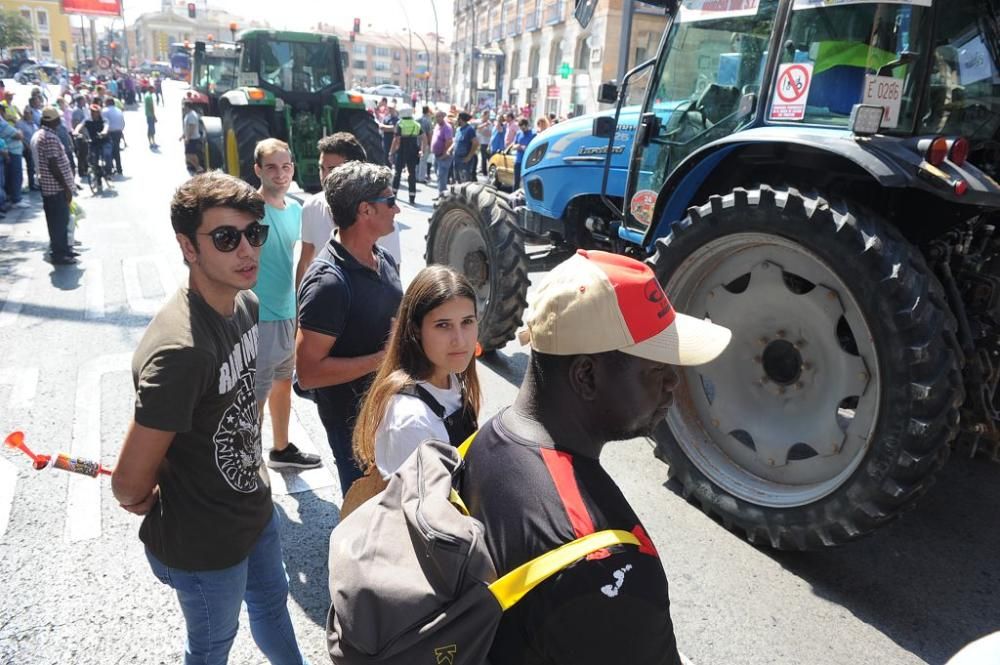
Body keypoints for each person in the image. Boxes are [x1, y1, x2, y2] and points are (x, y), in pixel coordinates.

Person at [460, 249, 732, 665]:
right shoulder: (606, 568)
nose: (674, 383)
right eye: (657, 369)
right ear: (586, 375)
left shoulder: (489, 438)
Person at [111, 172, 309, 665]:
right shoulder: (181, 351)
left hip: (252, 506)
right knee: (212, 646)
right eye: (226, 238)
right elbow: (127, 485)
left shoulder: (247, 303)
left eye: (254, 233)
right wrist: (148, 494)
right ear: (188, 246)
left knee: (271, 607)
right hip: (203, 541)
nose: (247, 251)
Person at [295, 161, 403, 496]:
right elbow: (308, 373)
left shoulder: (381, 257)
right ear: (365, 210)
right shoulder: (328, 284)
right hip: (352, 423)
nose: (397, 208)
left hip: (384, 410)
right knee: (364, 511)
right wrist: (382, 359)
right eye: (390, 201)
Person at [353, 264, 481, 480]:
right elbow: (417, 510)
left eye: (467, 322)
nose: (459, 340)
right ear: (415, 330)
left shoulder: (450, 377)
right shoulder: (411, 421)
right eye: (443, 325)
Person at [251, 139, 321, 471]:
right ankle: (247, 463)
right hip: (259, 316)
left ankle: (280, 449)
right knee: (255, 396)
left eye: (286, 166)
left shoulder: (295, 210)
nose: (281, 174)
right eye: (272, 167)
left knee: (282, 386)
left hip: (288, 314)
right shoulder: (249, 210)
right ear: (258, 170)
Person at [33, 108, 76, 265]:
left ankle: (64, 250)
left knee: (61, 221)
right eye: (57, 119)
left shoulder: (44, 135)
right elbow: (53, 165)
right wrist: (65, 187)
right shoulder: (49, 138)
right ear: (52, 120)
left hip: (52, 189)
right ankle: (60, 254)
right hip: (55, 189)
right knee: (58, 223)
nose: (59, 121)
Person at [389, 104, 422, 205]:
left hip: (402, 150)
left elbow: (396, 139)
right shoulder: (416, 124)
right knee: (412, 174)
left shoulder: (400, 123)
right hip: (413, 151)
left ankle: (394, 195)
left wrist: (391, 152)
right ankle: (412, 197)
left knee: (397, 173)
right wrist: (422, 150)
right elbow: (423, 137)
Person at [0, 109, 25, 208]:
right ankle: (16, 199)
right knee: (15, 176)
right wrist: (18, 131)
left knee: (10, 177)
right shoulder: (2, 123)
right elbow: (18, 135)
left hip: (12, 151)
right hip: (12, 152)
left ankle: (11, 198)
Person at [430, 110, 453, 199]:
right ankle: (441, 193)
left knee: (442, 176)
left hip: (443, 156)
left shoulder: (447, 127)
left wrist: (444, 154)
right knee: (438, 174)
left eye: (439, 116)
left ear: (443, 117)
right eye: (436, 117)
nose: (437, 118)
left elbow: (449, 141)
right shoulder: (437, 126)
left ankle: (443, 196)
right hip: (436, 155)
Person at [450, 111, 478, 183]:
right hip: (456, 159)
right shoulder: (458, 129)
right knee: (457, 180)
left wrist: (469, 156)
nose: (456, 121)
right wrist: (450, 149)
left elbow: (475, 143)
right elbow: (456, 142)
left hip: (464, 160)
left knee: (464, 181)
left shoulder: (469, 130)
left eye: (458, 119)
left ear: (461, 119)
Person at [16, 107, 38, 191]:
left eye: (29, 113)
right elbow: (20, 137)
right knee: (23, 167)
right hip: (24, 148)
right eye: (25, 113)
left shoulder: (34, 124)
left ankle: (32, 184)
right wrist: (27, 145)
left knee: (31, 167)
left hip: (32, 147)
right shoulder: (20, 123)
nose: (27, 115)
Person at [102, 96, 125, 175]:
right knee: (116, 150)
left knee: (109, 150)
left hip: (110, 132)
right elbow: (123, 122)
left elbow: (104, 122)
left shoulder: (105, 111)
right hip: (118, 132)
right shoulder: (118, 110)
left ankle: (110, 168)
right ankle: (119, 168)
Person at [181, 102, 204, 174]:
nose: (183, 107)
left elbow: (192, 127)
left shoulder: (192, 115)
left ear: (187, 106)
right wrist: (183, 135)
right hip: (190, 138)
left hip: (193, 138)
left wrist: (188, 137)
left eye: (184, 106)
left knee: (189, 155)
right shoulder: (188, 114)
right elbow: (187, 127)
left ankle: (198, 167)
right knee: (191, 154)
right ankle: (198, 168)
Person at [512, 117, 534, 191]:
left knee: (527, 181)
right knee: (516, 181)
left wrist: (527, 148)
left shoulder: (533, 134)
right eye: (521, 128)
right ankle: (514, 198)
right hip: (518, 161)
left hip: (528, 162)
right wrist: (518, 146)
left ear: (527, 125)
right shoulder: (518, 134)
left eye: (524, 128)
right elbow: (513, 146)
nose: (522, 130)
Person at [417, 105, 434, 184]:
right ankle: (421, 178)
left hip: (417, 142)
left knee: (417, 160)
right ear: (428, 111)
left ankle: (416, 176)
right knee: (423, 160)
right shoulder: (428, 121)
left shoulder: (417, 120)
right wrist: (430, 144)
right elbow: (429, 134)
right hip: (425, 142)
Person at [476, 110, 492, 176]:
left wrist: (482, 130)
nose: (488, 117)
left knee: (488, 158)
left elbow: (489, 134)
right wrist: (484, 126)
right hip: (479, 142)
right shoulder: (479, 122)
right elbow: (478, 128)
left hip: (486, 143)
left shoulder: (489, 123)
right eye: (487, 115)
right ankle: (483, 171)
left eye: (488, 116)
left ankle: (488, 171)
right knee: (482, 158)